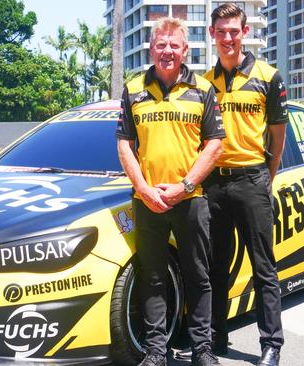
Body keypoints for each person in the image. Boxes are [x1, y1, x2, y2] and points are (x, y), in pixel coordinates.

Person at [116, 17, 226, 366]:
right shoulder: (134, 89)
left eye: (173, 45)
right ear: (151, 49)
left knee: (198, 277)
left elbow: (215, 146)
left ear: (185, 50)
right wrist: (144, 189)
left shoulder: (203, 90)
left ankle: (202, 350)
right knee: (152, 277)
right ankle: (155, 351)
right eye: (160, 45)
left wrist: (184, 186)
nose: (166, 51)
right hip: (148, 201)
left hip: (190, 200)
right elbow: (123, 145)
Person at [204, 4, 288, 366]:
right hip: (214, 185)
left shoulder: (268, 76)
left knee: (263, 267)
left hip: (253, 179)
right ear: (212, 35)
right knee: (215, 267)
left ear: (245, 32)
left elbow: (278, 135)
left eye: (233, 31)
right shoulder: (203, 83)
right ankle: (215, 338)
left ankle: (271, 345)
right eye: (221, 32)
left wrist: (266, 176)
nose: (227, 38)